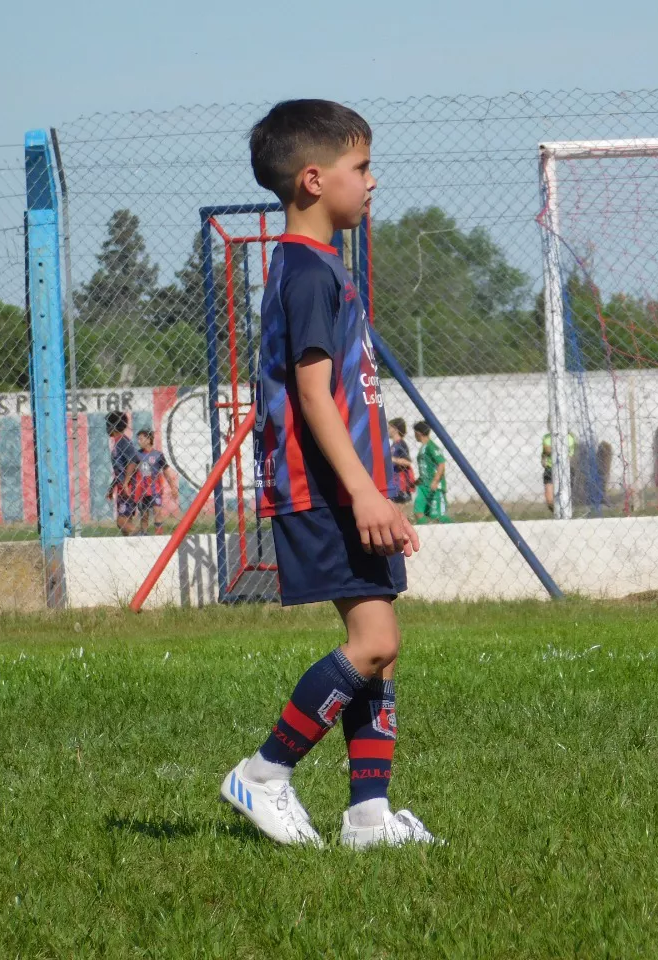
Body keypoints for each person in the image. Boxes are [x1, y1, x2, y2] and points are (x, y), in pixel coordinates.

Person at [220, 99, 435, 850]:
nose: (373, 182)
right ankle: (265, 771)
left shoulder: (320, 267)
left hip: (345, 487)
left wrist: (376, 481)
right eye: (361, 167)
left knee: (380, 640)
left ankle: (368, 818)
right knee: (372, 641)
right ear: (313, 179)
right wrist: (365, 489)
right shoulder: (308, 273)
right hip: (322, 493)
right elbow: (313, 396)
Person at [129, 430, 178, 536]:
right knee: (144, 515)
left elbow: (166, 472)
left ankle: (159, 536)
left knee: (157, 511)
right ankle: (144, 535)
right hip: (142, 490)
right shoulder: (137, 455)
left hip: (155, 489)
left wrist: (173, 487)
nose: (138, 441)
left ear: (148, 439)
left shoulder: (158, 455)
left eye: (141, 439)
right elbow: (131, 471)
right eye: (138, 439)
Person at [105, 411, 138, 535]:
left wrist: (126, 483)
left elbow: (133, 461)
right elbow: (119, 469)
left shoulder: (123, 441)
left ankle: (143, 538)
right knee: (126, 521)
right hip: (121, 486)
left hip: (127, 486)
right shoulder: (117, 442)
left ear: (113, 426)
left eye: (108, 424)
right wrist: (112, 487)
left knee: (121, 521)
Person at [413, 420, 451, 524]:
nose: (414, 435)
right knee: (418, 512)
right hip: (423, 486)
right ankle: (424, 535)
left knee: (437, 515)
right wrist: (418, 480)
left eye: (415, 432)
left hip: (435, 486)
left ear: (418, 433)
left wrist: (435, 480)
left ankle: (455, 529)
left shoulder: (431, 446)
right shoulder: (423, 448)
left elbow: (441, 464)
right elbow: (426, 467)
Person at [542, 427, 575, 512]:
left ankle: (565, 512)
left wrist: (555, 449)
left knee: (565, 497)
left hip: (565, 469)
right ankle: (556, 512)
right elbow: (546, 450)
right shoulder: (547, 438)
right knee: (550, 499)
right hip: (550, 468)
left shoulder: (570, 438)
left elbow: (568, 455)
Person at [388, 418, 416, 506]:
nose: (387, 430)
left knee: (400, 511)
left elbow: (407, 462)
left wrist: (392, 459)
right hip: (394, 482)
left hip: (401, 483)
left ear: (395, 429)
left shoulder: (401, 444)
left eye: (389, 428)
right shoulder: (394, 445)